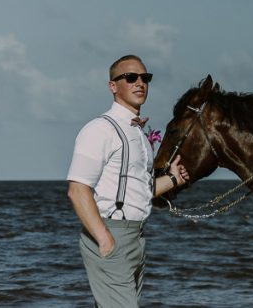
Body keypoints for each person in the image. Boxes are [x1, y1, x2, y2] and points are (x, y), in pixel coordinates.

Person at [67, 54, 190, 307]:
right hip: (112, 234)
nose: (139, 83)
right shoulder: (100, 130)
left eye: (145, 78)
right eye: (130, 77)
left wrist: (173, 179)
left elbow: (140, 191)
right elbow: (78, 190)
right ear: (113, 86)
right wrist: (104, 239)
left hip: (137, 237)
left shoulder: (139, 135)